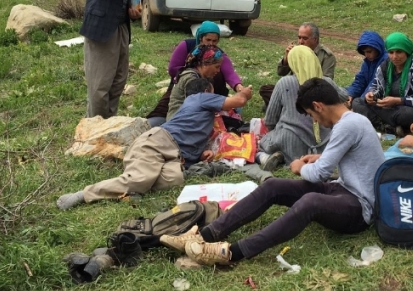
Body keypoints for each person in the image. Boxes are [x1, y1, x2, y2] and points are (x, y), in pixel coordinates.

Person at [159, 78, 385, 266]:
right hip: (343, 189)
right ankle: (205, 235)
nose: (315, 120)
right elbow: (349, 159)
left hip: (359, 207)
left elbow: (318, 175)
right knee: (273, 185)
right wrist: (319, 158)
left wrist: (300, 167)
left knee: (310, 202)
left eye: (311, 115)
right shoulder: (351, 121)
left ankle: (232, 253)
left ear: (318, 106)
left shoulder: (348, 124)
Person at [57, 78, 253, 210]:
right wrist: (244, 91)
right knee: (140, 178)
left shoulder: (198, 111)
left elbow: (190, 138)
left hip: (173, 154)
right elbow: (239, 101)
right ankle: (84, 194)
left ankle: (133, 190)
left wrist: (200, 155)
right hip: (159, 142)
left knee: (174, 179)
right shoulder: (199, 97)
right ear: (205, 92)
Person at [79, 0, 141, 119]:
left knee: (118, 80)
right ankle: (94, 127)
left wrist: (133, 10)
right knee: (100, 84)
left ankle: (110, 122)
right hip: (101, 29)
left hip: (121, 29)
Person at [256, 45, 348, 172]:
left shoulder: (285, 82)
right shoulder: (325, 82)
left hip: (290, 140)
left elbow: (270, 120)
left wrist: (276, 131)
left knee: (262, 142)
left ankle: (265, 157)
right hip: (324, 144)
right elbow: (345, 97)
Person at [146, 21, 245, 127]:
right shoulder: (187, 49)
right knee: (161, 117)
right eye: (208, 40)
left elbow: (229, 73)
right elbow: (173, 68)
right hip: (184, 88)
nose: (211, 44)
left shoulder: (217, 54)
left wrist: (239, 87)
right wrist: (198, 73)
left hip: (210, 93)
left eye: (214, 41)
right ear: (201, 37)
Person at [352, 32, 413, 136]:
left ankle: (384, 124)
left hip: (410, 110)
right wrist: (371, 95)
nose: (394, 56)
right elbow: (376, 87)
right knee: (358, 102)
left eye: (399, 52)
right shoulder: (386, 65)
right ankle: (389, 128)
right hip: (390, 108)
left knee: (407, 114)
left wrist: (398, 101)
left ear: (407, 51)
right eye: (391, 52)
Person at [259, 22, 336, 108]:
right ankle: (285, 105)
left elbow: (326, 83)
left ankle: (282, 105)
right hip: (293, 88)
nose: (300, 42)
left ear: (315, 39)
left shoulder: (326, 56)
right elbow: (281, 72)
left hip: (311, 92)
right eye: (299, 38)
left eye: (305, 38)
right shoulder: (296, 51)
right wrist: (286, 58)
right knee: (265, 89)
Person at [166, 44, 251, 120]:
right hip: (181, 122)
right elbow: (201, 105)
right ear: (205, 63)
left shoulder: (202, 77)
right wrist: (242, 95)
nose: (218, 71)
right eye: (217, 67)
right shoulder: (191, 78)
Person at [344, 31, 388, 104]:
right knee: (342, 93)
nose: (366, 55)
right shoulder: (368, 62)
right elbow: (360, 80)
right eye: (364, 52)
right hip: (367, 95)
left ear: (377, 49)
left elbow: (374, 84)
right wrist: (350, 94)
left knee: (357, 104)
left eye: (369, 51)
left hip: (378, 97)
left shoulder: (386, 61)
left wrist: (361, 101)